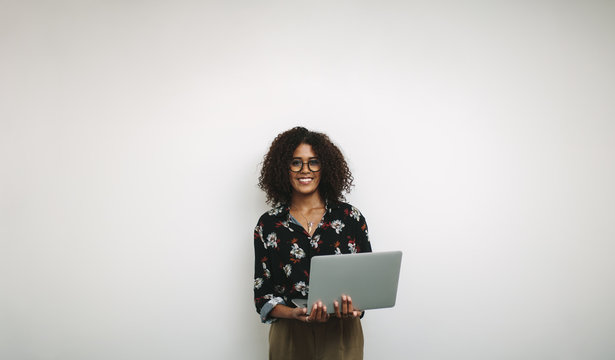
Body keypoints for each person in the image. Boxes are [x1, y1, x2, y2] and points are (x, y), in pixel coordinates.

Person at [253, 126, 372, 360]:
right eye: (296, 162)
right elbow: (262, 295)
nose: (304, 170)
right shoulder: (268, 224)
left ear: (324, 167)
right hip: (289, 333)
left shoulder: (350, 218)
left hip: (342, 332)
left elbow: (367, 285)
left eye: (313, 162)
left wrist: (355, 308)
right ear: (283, 168)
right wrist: (294, 313)